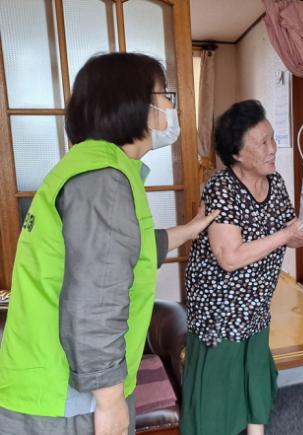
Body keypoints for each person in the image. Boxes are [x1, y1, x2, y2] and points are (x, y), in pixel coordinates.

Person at [0, 52, 216, 435]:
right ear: (133, 104)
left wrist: (189, 230)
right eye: (163, 95)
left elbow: (123, 251)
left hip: (50, 383)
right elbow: (95, 297)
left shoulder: (93, 166)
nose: (170, 108)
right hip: (68, 395)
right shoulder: (103, 179)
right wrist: (110, 399)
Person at [181, 100, 303, 435]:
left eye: (272, 138)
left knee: (254, 366)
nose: (273, 148)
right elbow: (229, 257)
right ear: (237, 154)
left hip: (257, 300)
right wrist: (286, 235)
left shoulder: (275, 182)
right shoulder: (221, 187)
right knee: (220, 384)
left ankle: (256, 430)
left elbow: (287, 235)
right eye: (262, 143)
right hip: (220, 307)